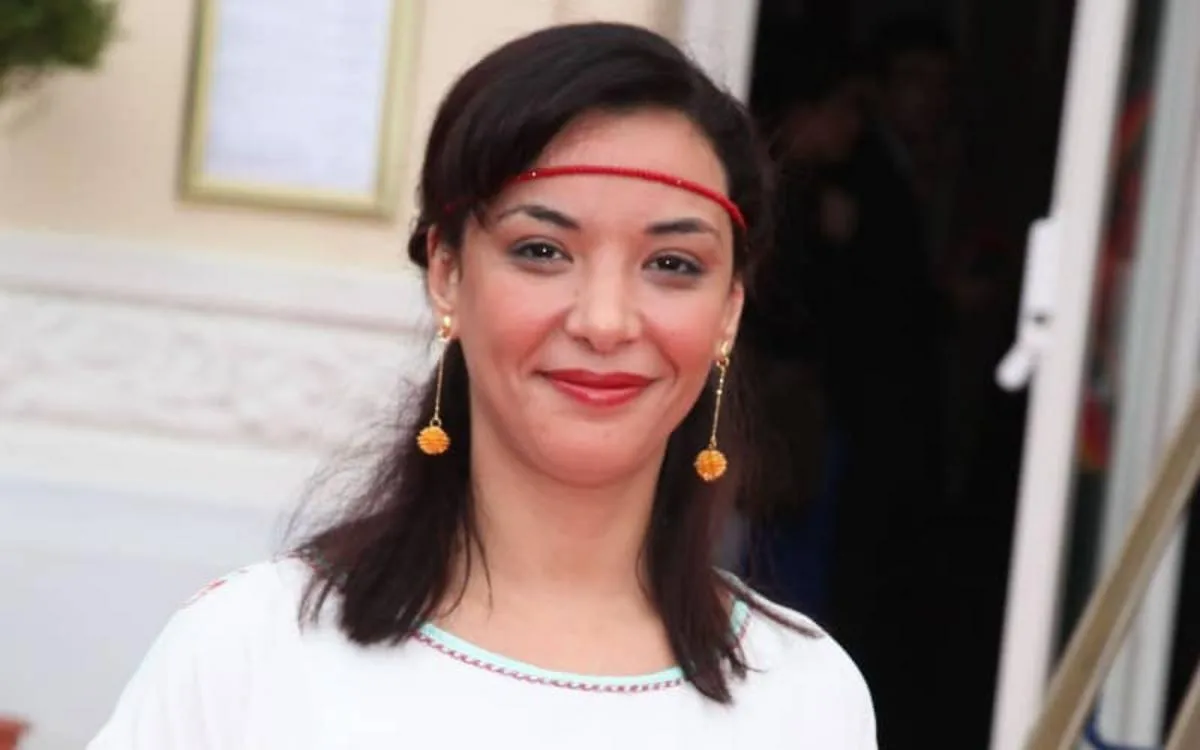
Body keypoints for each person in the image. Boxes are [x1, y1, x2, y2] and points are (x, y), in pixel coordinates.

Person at [88, 23, 876, 749]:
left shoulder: (803, 696)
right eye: (542, 251)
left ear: (728, 310)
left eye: (672, 264)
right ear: (447, 274)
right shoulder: (251, 651)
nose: (605, 322)